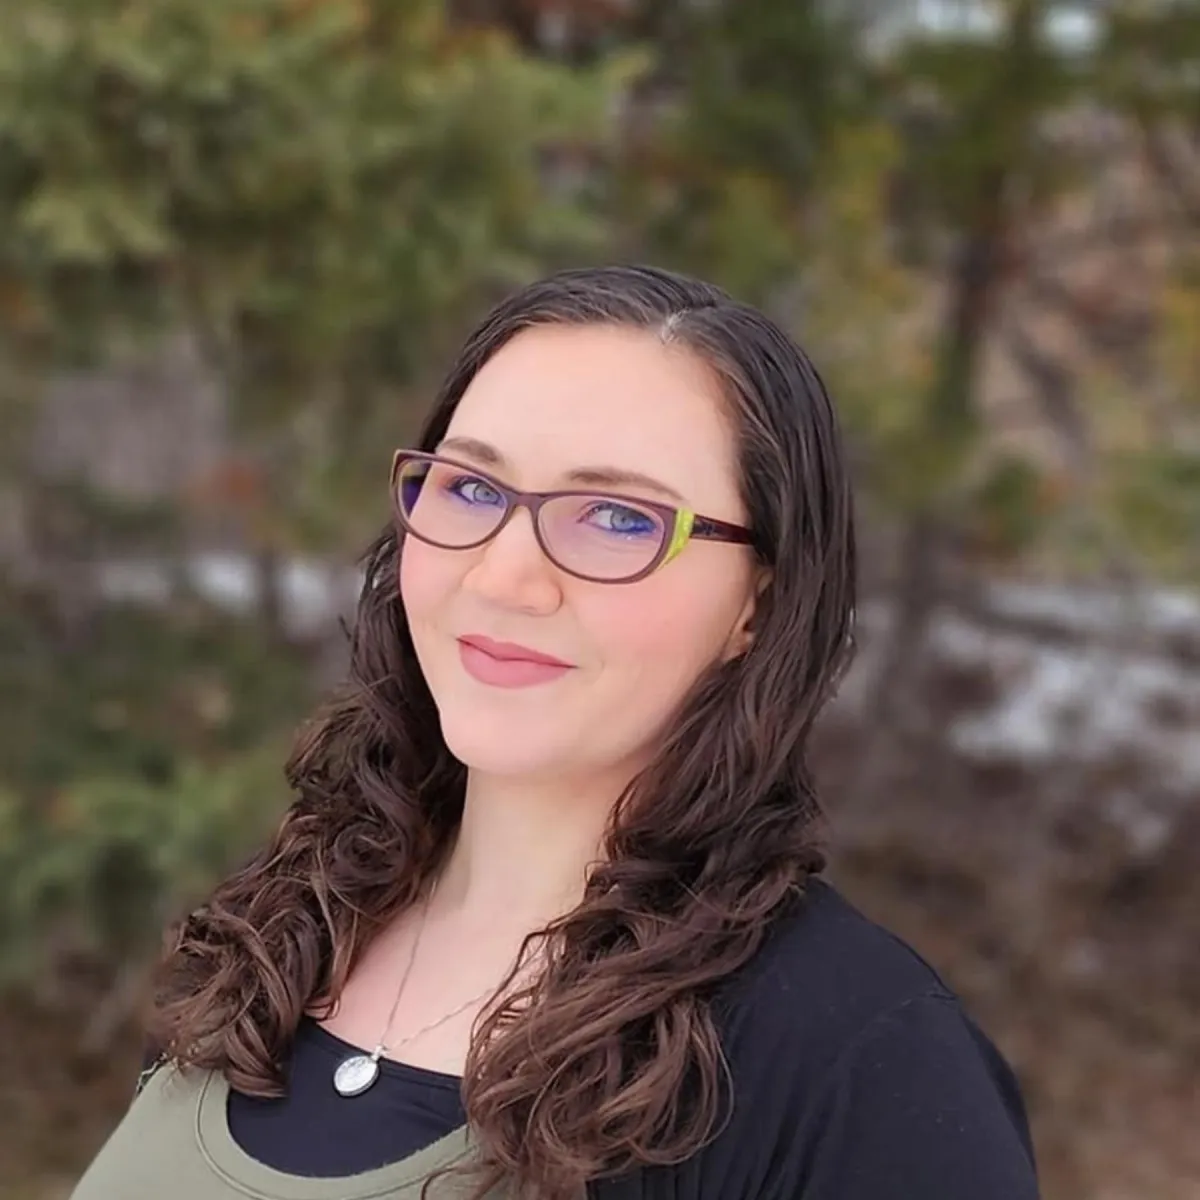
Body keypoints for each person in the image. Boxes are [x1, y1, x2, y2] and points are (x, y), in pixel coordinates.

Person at [71, 265, 1040, 1200]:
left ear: (760, 602)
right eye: (472, 490)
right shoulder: (280, 935)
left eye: (617, 518)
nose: (502, 576)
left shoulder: (856, 1065)